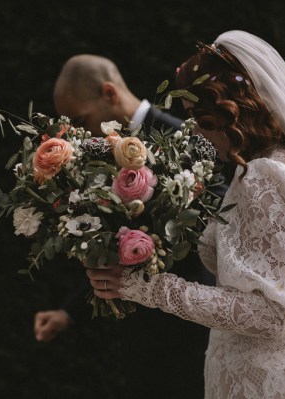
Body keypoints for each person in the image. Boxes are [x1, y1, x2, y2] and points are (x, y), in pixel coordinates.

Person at [87, 30, 285, 398]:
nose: (202, 136)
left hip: (263, 382)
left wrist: (145, 288)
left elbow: (272, 316)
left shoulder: (264, 177)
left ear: (234, 112)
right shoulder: (283, 165)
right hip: (257, 372)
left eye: (203, 121)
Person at [35, 54, 219, 398]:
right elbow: (109, 245)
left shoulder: (186, 138)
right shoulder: (96, 150)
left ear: (108, 92)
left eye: (80, 118)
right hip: (139, 334)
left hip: (195, 329)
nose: (79, 132)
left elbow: (223, 225)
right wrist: (68, 311)